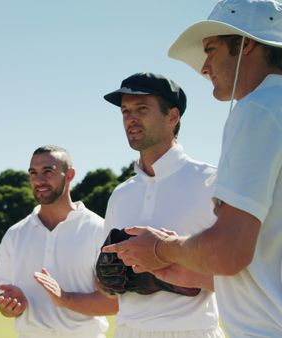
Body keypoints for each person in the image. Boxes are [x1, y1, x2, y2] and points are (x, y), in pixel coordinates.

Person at [102, 1, 282, 336]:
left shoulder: (258, 109)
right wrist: (177, 272)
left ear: (246, 45)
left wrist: (158, 249)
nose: (204, 66)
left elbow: (230, 250)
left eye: (211, 50)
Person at [101, 72, 224, 338]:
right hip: (128, 331)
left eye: (142, 109)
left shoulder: (212, 182)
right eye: (125, 111)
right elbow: (106, 281)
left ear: (173, 116)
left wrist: (175, 270)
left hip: (193, 331)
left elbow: (248, 274)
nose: (130, 119)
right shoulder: (121, 195)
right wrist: (107, 279)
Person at [0, 145, 117, 338]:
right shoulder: (14, 234)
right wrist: (11, 307)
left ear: (70, 175)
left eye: (48, 171)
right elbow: (3, 302)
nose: (39, 180)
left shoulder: (99, 229)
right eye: (33, 173)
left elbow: (114, 303)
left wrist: (64, 299)